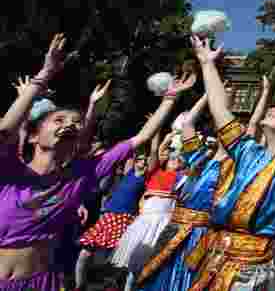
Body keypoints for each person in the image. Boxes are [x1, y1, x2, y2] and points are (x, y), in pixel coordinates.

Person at [0, 34, 192, 291]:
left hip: (42, 283)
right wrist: (44, 74)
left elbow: (142, 137)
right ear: (33, 135)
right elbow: (5, 131)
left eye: (75, 123)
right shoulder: (9, 169)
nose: (69, 124)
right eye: (59, 120)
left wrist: (169, 99)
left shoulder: (82, 174)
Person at [185, 36, 275, 291]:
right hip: (216, 257)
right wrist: (207, 64)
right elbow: (221, 112)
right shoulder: (250, 152)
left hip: (252, 269)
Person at [133, 94, 228, 291]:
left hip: (201, 237)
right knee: (156, 274)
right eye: (207, 145)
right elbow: (188, 123)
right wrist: (208, 95)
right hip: (174, 229)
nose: (210, 148)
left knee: (188, 280)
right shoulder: (193, 160)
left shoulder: (227, 168)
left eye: (214, 145)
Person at [111, 131, 182, 281]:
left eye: (178, 160)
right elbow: (156, 150)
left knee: (155, 263)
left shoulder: (182, 178)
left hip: (165, 223)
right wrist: (162, 136)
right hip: (146, 221)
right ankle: (123, 285)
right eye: (172, 159)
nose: (176, 161)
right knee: (134, 262)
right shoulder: (154, 173)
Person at [75, 155, 147, 288]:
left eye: (144, 160)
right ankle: (79, 285)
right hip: (108, 216)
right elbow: (129, 156)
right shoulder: (128, 173)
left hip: (124, 219)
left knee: (116, 259)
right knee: (85, 253)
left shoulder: (144, 179)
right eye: (139, 159)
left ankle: (111, 284)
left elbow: (154, 155)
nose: (141, 161)